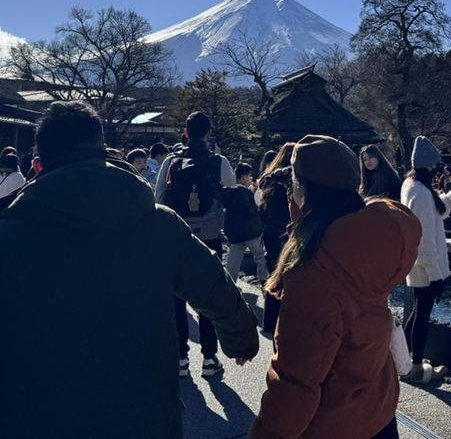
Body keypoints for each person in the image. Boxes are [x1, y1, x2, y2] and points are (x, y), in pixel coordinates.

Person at [0, 101, 258, 439]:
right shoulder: (160, 224)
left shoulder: (10, 235)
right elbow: (216, 290)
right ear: (103, 154)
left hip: (37, 417)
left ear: (37, 164)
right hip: (145, 416)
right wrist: (241, 343)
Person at [248, 135, 420, 439]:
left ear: (303, 189)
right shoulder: (374, 240)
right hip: (378, 412)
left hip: (331, 422)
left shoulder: (315, 271)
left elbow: (296, 381)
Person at [157, 110, 236, 377]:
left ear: (186, 133)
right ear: (208, 133)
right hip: (210, 234)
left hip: (178, 235)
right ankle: (210, 359)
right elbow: (231, 184)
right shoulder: (218, 160)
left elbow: (158, 196)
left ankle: (180, 360)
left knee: (177, 297)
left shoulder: (171, 162)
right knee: (207, 294)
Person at [401, 136, 451, 383]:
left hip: (416, 264)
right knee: (422, 316)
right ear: (429, 166)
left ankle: (403, 361)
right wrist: (437, 276)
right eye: (437, 165)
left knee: (417, 312)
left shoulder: (412, 186)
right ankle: (416, 367)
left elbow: (436, 211)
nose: (440, 169)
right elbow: (426, 239)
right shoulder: (422, 193)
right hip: (425, 267)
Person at [256, 142, 296, 335]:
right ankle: (287, 322)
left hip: (271, 230)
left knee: (274, 275)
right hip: (289, 229)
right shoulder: (297, 179)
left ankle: (270, 322)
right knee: (291, 276)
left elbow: (260, 206)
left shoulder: (268, 180)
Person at [223, 163, 269, 284]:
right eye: (249, 176)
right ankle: (264, 280)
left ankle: (229, 284)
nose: (250, 179)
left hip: (235, 232)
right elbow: (249, 211)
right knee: (260, 257)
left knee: (233, 260)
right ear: (243, 177)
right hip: (250, 231)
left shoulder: (228, 191)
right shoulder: (243, 193)